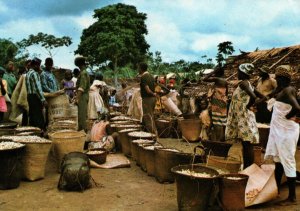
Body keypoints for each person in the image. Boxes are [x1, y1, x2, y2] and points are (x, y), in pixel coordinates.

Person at [264, 66, 300, 205]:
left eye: (277, 78)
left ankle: (292, 198)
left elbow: (297, 108)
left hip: (286, 131)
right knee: (278, 161)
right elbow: (273, 93)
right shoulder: (285, 89)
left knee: (288, 162)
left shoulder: (286, 91)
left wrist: (287, 117)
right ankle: (276, 188)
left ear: (281, 79)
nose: (275, 81)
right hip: (281, 131)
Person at [225, 63, 265, 169]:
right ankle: (247, 168)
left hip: (244, 117)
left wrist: (248, 105)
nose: (237, 73)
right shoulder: (249, 84)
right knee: (246, 143)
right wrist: (251, 106)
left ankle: (248, 168)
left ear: (243, 73)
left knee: (247, 144)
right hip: (245, 116)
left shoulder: (243, 83)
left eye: (238, 71)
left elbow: (253, 97)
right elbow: (263, 97)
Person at [203, 65, 228, 142]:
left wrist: (213, 72)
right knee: (222, 121)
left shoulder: (217, 79)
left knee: (218, 122)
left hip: (217, 103)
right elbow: (226, 93)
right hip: (222, 102)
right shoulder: (225, 80)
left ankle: (218, 141)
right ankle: (221, 139)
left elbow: (205, 79)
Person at [25, 57, 47, 130]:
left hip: (29, 96)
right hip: (35, 96)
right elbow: (38, 88)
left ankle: (33, 130)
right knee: (38, 115)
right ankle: (40, 131)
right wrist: (43, 99)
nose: (39, 67)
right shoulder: (34, 74)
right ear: (35, 65)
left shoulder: (27, 74)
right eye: (39, 66)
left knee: (32, 115)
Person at [139, 62, 157, 135]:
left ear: (141, 69)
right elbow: (154, 86)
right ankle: (145, 132)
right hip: (152, 99)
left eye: (138, 68)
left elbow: (147, 89)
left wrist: (153, 94)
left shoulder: (143, 77)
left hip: (147, 99)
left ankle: (153, 135)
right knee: (149, 116)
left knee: (148, 118)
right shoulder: (151, 76)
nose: (138, 70)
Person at [75, 57, 90, 131]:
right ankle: (82, 130)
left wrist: (77, 98)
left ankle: (83, 131)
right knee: (81, 115)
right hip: (83, 95)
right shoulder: (83, 72)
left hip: (83, 96)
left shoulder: (83, 73)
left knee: (82, 115)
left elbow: (81, 88)